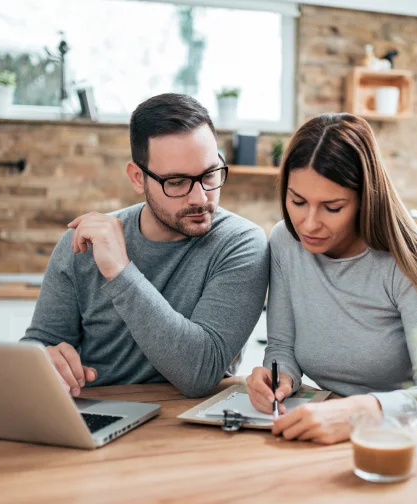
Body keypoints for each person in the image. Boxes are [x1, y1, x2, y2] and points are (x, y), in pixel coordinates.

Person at [22, 93, 269, 398]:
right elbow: (39, 344)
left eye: (209, 175)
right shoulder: (84, 243)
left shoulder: (241, 244)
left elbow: (200, 372)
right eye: (177, 182)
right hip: (93, 414)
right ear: (138, 178)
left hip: (191, 426)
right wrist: (43, 360)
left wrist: (120, 271)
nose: (201, 198)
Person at [246, 113, 417, 445]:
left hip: (403, 440)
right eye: (298, 201)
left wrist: (365, 409)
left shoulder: (403, 258)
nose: (309, 224)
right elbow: (282, 346)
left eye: (332, 207)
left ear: (364, 200)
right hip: (325, 430)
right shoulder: (285, 242)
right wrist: (279, 378)